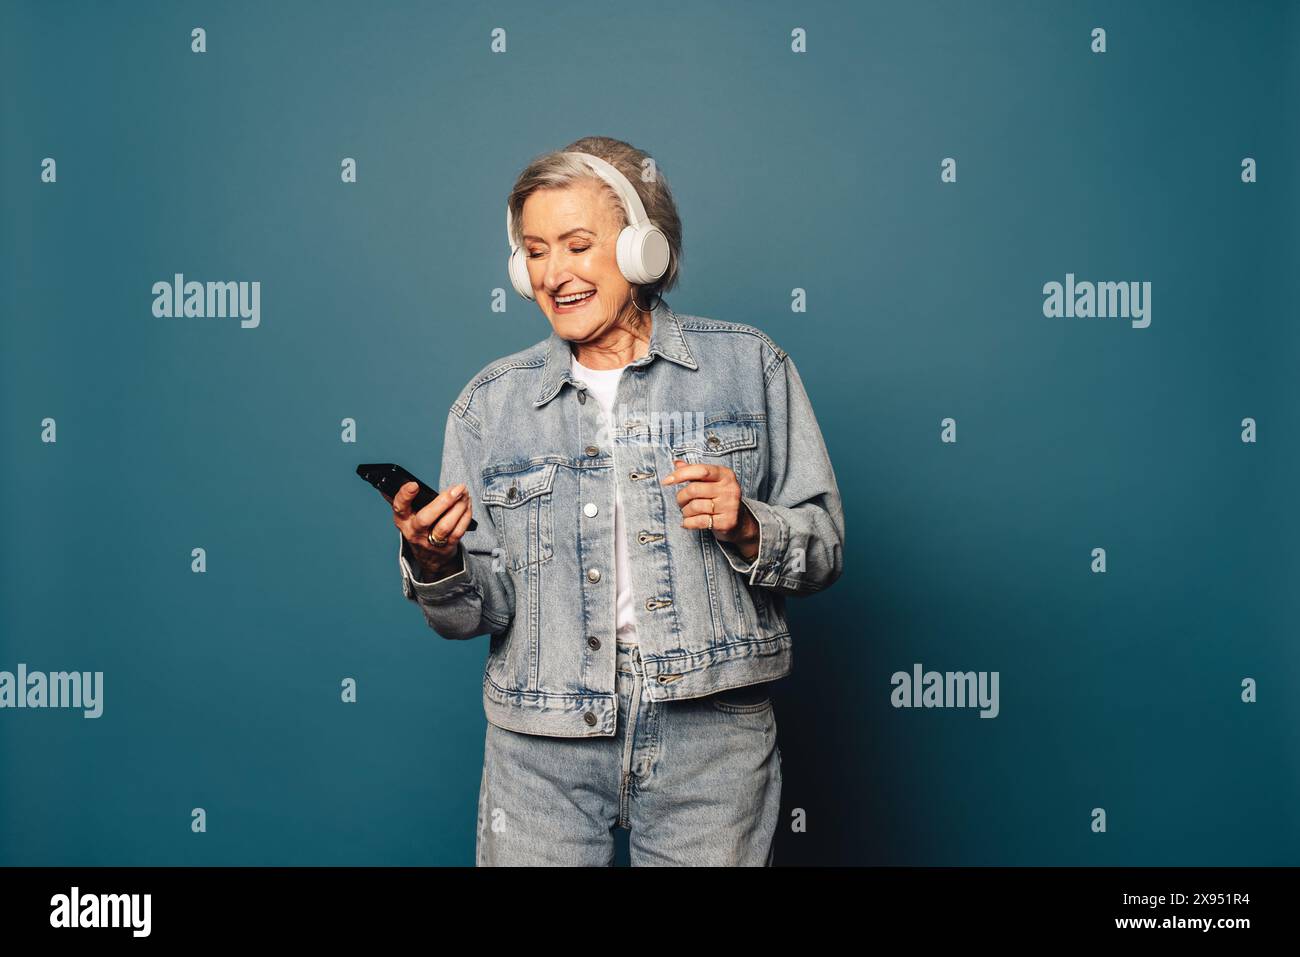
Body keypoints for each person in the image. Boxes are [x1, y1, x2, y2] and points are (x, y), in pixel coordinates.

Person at [379, 136, 845, 865]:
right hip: (542, 742)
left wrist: (748, 526)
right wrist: (435, 562)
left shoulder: (750, 367)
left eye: (576, 244)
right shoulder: (487, 406)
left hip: (712, 735)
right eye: (535, 250)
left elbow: (823, 548)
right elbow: (478, 612)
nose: (552, 272)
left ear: (641, 251)